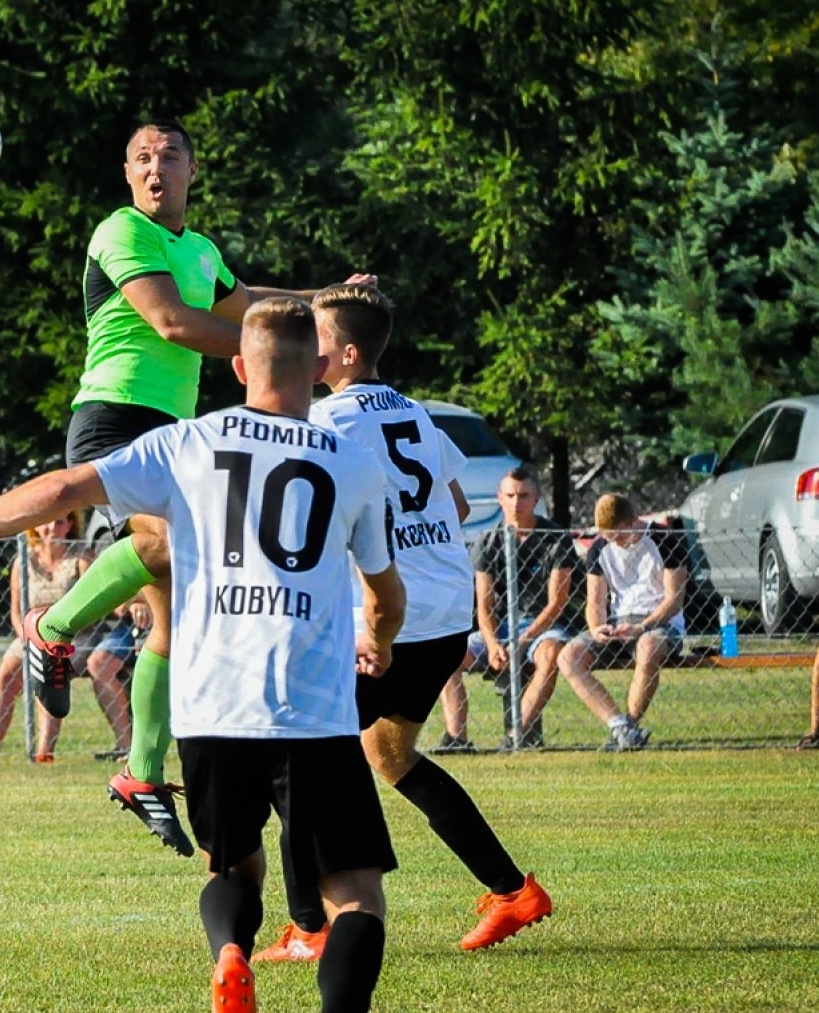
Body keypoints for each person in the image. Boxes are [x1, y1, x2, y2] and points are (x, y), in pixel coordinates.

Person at [0, 298, 405, 1013]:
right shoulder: (352, 461)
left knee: (233, 868)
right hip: (312, 710)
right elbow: (386, 596)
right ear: (321, 368)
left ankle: (230, 955)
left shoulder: (188, 443)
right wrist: (380, 639)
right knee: (356, 894)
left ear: (236, 368)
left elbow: (60, 490)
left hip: (209, 707)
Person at [18, 117, 368, 855]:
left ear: (191, 170)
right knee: (171, 546)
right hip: (115, 416)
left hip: (170, 430)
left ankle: (141, 770)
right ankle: (51, 627)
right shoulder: (121, 232)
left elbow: (246, 305)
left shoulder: (200, 249)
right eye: (143, 158)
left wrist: (322, 298)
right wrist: (293, 357)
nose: (156, 168)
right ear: (127, 173)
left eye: (169, 156)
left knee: (173, 615)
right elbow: (175, 323)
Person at [254, 285, 552, 968]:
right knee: (388, 755)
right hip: (443, 616)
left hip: (388, 620)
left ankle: (309, 927)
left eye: (318, 336)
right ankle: (512, 890)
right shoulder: (420, 415)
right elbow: (446, 499)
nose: (308, 345)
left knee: (292, 755)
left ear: (347, 352)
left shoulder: (326, 419)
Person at [0, 513, 133, 763]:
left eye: (59, 521)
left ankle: (44, 752)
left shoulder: (81, 557)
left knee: (48, 667)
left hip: (76, 634)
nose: (51, 527)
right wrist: (27, 637)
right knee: (6, 674)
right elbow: (16, 610)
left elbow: (102, 596)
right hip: (31, 633)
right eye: (47, 520)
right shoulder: (24, 560)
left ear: (69, 525)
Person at [438, 467, 576, 750]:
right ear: (499, 498)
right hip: (499, 630)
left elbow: (556, 603)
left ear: (536, 498)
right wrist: (491, 644)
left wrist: (522, 642)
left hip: (542, 629)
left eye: (524, 496)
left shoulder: (555, 538)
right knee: (445, 655)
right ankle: (457, 738)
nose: (516, 503)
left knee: (551, 654)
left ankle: (516, 736)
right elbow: (485, 604)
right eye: (510, 495)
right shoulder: (488, 541)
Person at [557, 493, 685, 750]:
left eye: (621, 535)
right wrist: (597, 628)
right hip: (618, 621)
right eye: (610, 537)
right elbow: (595, 602)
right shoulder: (599, 548)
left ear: (634, 521)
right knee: (568, 657)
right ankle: (619, 727)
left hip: (658, 623)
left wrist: (643, 626)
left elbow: (674, 599)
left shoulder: (665, 540)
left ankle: (631, 723)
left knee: (648, 647)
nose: (618, 542)